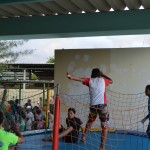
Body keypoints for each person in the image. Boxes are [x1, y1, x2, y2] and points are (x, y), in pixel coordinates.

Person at [67, 68, 113, 150]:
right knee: (105, 127)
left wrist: (71, 77)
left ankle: (84, 136)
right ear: (99, 74)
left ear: (92, 74)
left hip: (93, 107)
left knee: (90, 121)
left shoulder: (90, 80)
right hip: (102, 106)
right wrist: (103, 75)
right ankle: (102, 147)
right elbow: (111, 81)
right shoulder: (103, 80)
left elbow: (79, 79)